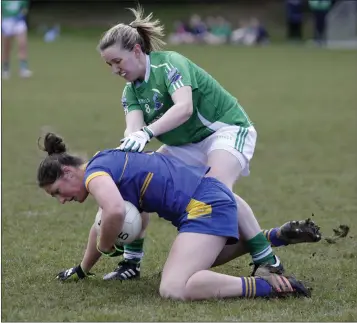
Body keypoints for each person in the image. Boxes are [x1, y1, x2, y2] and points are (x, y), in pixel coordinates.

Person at [96, 6, 291, 280]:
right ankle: (131, 262)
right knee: (135, 179)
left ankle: (268, 259)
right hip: (185, 145)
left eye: (118, 61)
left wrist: (147, 134)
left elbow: (184, 108)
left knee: (216, 190)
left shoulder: (170, 64)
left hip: (226, 129)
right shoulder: (131, 92)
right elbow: (134, 129)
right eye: (109, 65)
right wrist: (127, 149)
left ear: (137, 50)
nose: (115, 70)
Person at [37, 133, 315, 300]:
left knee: (175, 287)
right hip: (209, 197)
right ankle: (272, 237)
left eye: (58, 192)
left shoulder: (95, 176)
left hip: (204, 206)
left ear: (69, 173)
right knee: (207, 260)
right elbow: (103, 221)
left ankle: (267, 286)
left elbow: (114, 212)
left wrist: (106, 246)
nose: (62, 200)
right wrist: (83, 270)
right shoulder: (105, 160)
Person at [1, 0, 32, 79]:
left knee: (22, 44)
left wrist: (21, 15)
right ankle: (5, 68)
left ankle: (23, 69)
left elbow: (25, 9)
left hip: (19, 22)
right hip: (7, 22)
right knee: (6, 47)